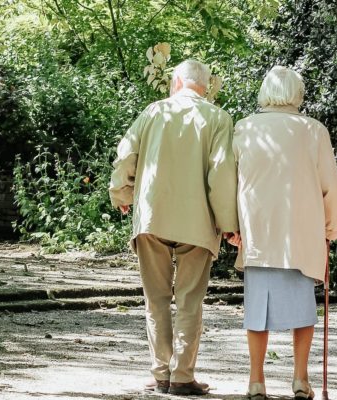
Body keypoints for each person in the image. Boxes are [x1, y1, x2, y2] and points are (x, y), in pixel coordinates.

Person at [109, 59, 239, 396]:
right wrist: (228, 224)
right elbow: (222, 174)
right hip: (198, 222)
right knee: (189, 300)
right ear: (206, 86)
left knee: (156, 299)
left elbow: (126, 156)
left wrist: (121, 192)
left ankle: (161, 373)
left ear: (177, 82)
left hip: (153, 217)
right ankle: (182, 376)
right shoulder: (219, 118)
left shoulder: (153, 112)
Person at [229, 66, 337, 400]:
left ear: (265, 92)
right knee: (302, 310)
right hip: (301, 234)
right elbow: (333, 189)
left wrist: (231, 227)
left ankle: (256, 380)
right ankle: (300, 379)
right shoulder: (313, 131)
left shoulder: (245, 128)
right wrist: (330, 227)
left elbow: (230, 183)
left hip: (259, 232)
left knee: (257, 311)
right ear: (298, 94)